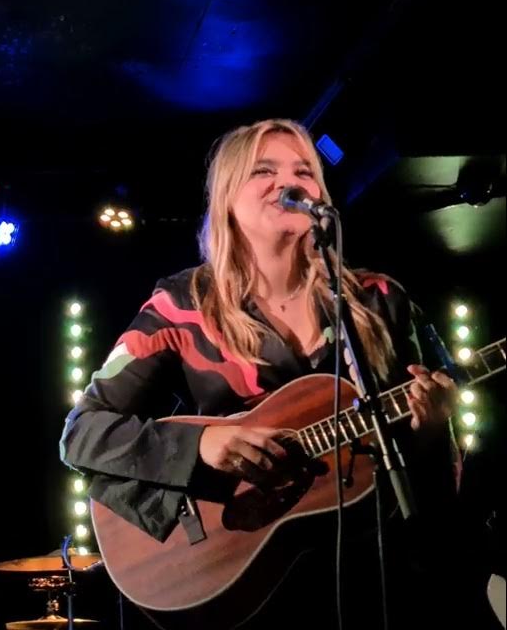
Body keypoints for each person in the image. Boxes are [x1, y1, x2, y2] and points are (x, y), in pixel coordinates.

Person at [58, 119, 463, 629]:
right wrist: (200, 449)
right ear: (228, 197)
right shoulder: (182, 306)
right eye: (263, 170)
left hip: (378, 571)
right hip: (248, 572)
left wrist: (431, 430)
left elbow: (442, 447)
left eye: (304, 171)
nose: (288, 182)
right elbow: (83, 432)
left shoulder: (379, 300)